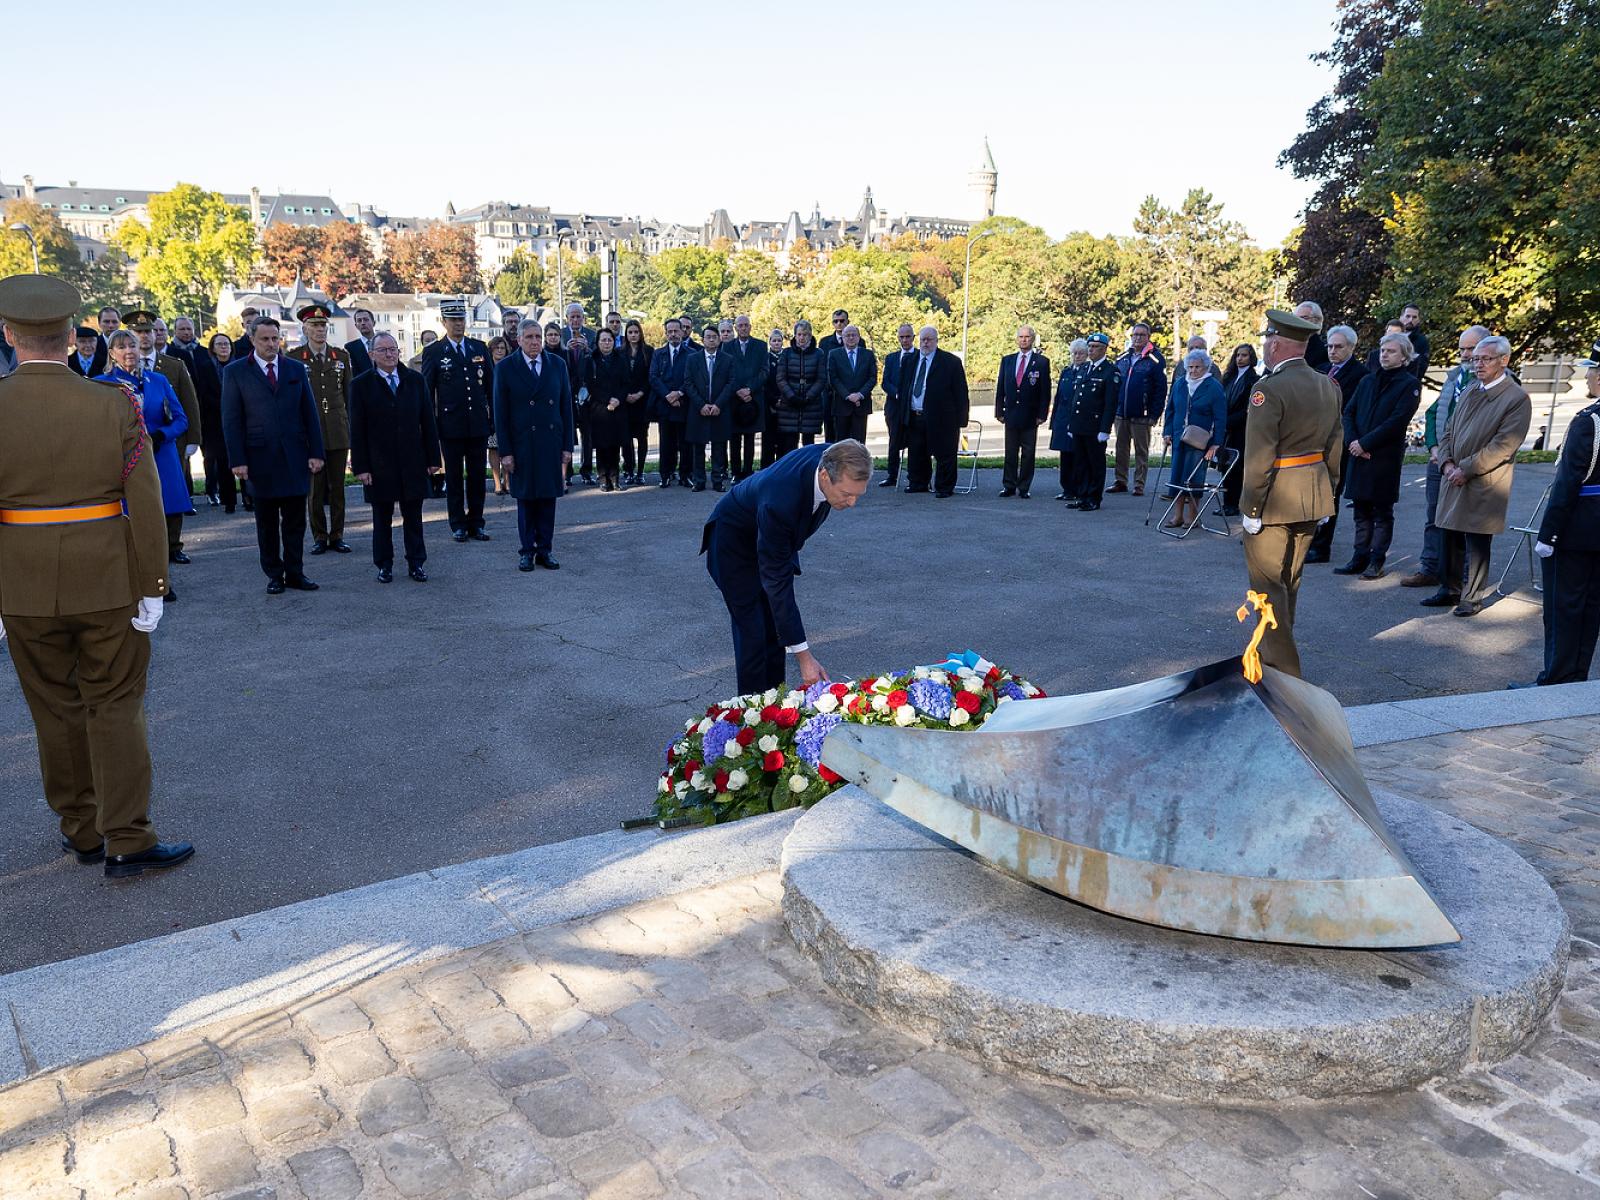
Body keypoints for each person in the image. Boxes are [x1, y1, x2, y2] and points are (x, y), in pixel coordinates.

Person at [0, 273, 191, 879]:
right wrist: (153, 584)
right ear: (70, 339)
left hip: (22, 583)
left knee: (54, 711)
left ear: (8, 336)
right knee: (115, 705)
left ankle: (81, 830)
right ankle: (128, 838)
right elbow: (145, 497)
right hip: (108, 579)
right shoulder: (114, 404)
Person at [701, 439, 872, 694]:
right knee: (754, 634)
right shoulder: (781, 501)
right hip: (733, 545)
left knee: (774, 630)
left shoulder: (836, 457)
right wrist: (805, 659)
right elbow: (777, 580)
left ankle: (776, 706)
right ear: (824, 476)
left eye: (858, 494)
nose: (852, 503)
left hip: (769, 535)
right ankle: (752, 716)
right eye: (847, 494)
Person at [1238, 308, 1344, 678]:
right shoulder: (1328, 385)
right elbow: (1334, 445)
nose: (1265, 346)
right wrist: (1328, 491)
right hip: (1312, 495)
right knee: (1289, 583)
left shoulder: (1268, 389)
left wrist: (1251, 507)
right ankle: (1272, 657)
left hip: (1275, 499)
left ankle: (1283, 672)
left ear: (1276, 344)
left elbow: (1260, 455)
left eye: (1268, 340)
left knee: (1267, 588)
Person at [1426, 335, 1532, 617]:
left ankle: (1471, 597)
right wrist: (1446, 463)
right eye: (1475, 359)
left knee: (1476, 539)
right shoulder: (1472, 388)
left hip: (1485, 480)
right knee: (1448, 533)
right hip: (1454, 474)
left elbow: (1504, 445)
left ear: (1504, 360)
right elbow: (1448, 429)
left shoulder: (1516, 398)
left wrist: (1467, 468)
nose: (1478, 364)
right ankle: (1448, 589)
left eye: (1485, 359)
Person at [221, 315, 326, 595]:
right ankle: (274, 574)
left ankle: (295, 572)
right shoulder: (235, 372)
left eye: (274, 338)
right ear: (252, 340)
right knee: (266, 524)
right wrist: (238, 460)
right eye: (264, 339)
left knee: (295, 521)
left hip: (294, 456)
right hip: (259, 459)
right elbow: (231, 419)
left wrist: (316, 452)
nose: (270, 344)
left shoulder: (295, 369)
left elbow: (310, 414)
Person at [1519, 341, 1600, 686]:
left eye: (1592, 371)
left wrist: (1548, 534)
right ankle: (1576, 674)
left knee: (1564, 608)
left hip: (1576, 529)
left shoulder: (1589, 422)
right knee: (1590, 609)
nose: (1588, 377)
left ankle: (1557, 678)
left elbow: (1568, 484)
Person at [97, 330, 188, 602]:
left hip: (160, 458)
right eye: (121, 346)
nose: (129, 351)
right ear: (112, 353)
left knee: (159, 523)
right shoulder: (102, 384)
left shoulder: (158, 380)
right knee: (130, 524)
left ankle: (160, 581)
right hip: (124, 463)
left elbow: (181, 419)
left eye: (132, 345)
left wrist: (162, 434)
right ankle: (130, 581)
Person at [1401, 325, 1489, 589]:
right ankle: (1430, 568)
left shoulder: (1491, 383)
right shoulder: (1454, 378)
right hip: (1440, 460)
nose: (1464, 354)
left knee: (1464, 523)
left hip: (1469, 463)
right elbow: (1432, 415)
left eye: (1470, 349)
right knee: (1434, 518)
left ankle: (1464, 579)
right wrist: (1434, 449)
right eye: (1462, 348)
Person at [350, 333, 441, 583]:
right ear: (372, 355)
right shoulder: (361, 385)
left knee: (413, 517)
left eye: (393, 349)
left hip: (413, 460)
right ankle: (384, 564)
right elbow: (356, 430)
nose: (390, 355)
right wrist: (361, 466)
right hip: (379, 464)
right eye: (383, 351)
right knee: (382, 519)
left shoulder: (414, 380)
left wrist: (433, 458)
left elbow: (428, 422)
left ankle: (416, 563)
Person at [1334, 331, 1423, 580]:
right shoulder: (1367, 381)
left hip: (1383, 457)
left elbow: (1397, 421)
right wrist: (1353, 442)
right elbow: (1348, 413)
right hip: (1358, 454)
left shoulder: (1409, 385)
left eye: (1391, 351)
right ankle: (1359, 557)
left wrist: (1365, 443)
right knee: (1360, 510)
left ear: (1404, 356)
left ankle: (1376, 560)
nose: (1384, 355)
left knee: (1381, 512)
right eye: (1383, 350)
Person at [494, 320, 574, 572]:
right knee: (526, 500)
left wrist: (567, 446)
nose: (535, 341)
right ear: (518, 339)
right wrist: (505, 451)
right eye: (529, 337)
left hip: (550, 442)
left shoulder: (557, 365)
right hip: (521, 444)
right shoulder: (507, 367)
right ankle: (527, 551)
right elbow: (500, 413)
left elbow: (566, 408)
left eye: (538, 336)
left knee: (548, 500)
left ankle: (545, 550)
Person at [126, 311, 201, 560]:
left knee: (172, 492)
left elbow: (189, 403)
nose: (145, 336)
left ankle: (173, 545)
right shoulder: (123, 368)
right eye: (139, 332)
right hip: (134, 444)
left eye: (149, 331)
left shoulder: (173, 364)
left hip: (169, 442)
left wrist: (193, 439)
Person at [421, 299, 493, 543]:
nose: (458, 324)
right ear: (444, 322)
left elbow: (490, 388)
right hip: (450, 425)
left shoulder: (478, 348)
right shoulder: (434, 351)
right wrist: (431, 425)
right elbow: (427, 393)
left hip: (477, 424)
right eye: (453, 320)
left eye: (461, 319)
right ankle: (458, 524)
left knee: (476, 477)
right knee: (453, 477)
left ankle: (477, 522)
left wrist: (491, 419)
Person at [286, 304, 353, 556]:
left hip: (337, 429)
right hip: (309, 432)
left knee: (338, 487)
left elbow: (348, 395)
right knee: (315, 489)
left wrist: (351, 429)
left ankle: (337, 535)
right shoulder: (294, 358)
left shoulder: (341, 357)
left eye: (323, 325)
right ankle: (319, 536)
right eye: (314, 326)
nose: (319, 330)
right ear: (305, 329)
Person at [1304, 326, 1370, 561]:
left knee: (1330, 494)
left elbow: (1348, 410)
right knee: (1311, 493)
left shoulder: (1360, 374)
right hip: (1312, 442)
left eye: (1338, 346)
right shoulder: (1321, 370)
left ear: (1351, 347)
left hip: (1337, 444)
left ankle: (1322, 547)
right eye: (1330, 346)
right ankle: (1308, 540)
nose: (1332, 351)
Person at [898, 325, 969, 497]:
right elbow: (904, 387)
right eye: (923, 339)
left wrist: (962, 419)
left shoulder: (950, 362)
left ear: (936, 341)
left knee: (944, 453)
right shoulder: (910, 360)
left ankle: (944, 487)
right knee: (917, 452)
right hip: (916, 415)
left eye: (929, 339)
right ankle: (918, 482)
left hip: (942, 418)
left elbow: (961, 392)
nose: (926, 343)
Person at [1161, 349, 1227, 528]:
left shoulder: (1213, 386)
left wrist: (1216, 444)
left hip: (1200, 440)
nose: (1193, 370)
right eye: (1190, 367)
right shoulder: (1180, 383)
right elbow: (1170, 409)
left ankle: (1193, 516)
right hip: (1178, 437)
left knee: (1194, 477)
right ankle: (1177, 516)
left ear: (1206, 367)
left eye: (1198, 367)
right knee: (1177, 476)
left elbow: (1220, 417)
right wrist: (1166, 432)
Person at [167, 317, 223, 508]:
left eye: (188, 329)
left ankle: (212, 490)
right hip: (182, 410)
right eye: (181, 329)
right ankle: (187, 493)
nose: (186, 332)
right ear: (174, 331)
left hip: (206, 411)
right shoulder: (171, 353)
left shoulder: (203, 352)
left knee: (210, 455)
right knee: (185, 455)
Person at [1109, 322, 1165, 497]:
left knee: (1141, 450)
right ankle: (1120, 481)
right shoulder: (1123, 358)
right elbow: (1114, 384)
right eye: (1135, 335)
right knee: (1121, 448)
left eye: (1141, 335)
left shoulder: (1155, 359)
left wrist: (1154, 414)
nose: (1137, 338)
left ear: (1148, 337)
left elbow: (1160, 390)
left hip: (1142, 414)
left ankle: (1139, 484)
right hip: (1122, 412)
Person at [994, 326, 1050, 498]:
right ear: (1017, 339)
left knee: (1028, 454)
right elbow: (1000, 388)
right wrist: (999, 411)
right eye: (1021, 337)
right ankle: (1009, 485)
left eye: (1027, 337)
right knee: (1010, 453)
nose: (1024, 340)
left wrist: (1042, 415)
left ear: (1032, 339)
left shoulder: (1041, 362)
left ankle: (1024, 487)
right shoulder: (1008, 360)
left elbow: (1045, 391)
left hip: (1030, 416)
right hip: (1011, 414)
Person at [684, 322, 735, 492]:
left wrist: (718, 404)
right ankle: (699, 481)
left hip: (720, 409)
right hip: (699, 409)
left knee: (719, 448)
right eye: (708, 337)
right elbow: (688, 383)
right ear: (703, 339)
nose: (711, 340)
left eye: (714, 337)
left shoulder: (727, 360)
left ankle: (717, 481)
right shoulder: (693, 359)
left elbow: (731, 383)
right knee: (698, 447)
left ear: (719, 340)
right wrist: (701, 404)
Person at [584, 328, 631, 491]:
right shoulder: (591, 360)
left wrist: (618, 399)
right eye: (603, 340)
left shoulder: (621, 359)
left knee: (615, 445)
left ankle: (615, 478)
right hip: (599, 408)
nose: (606, 343)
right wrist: (607, 400)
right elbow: (590, 385)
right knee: (602, 446)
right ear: (597, 342)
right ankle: (603, 479)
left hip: (618, 408)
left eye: (609, 340)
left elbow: (626, 383)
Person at [773, 319, 827, 461]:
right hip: (789, 403)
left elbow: (821, 379)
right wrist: (791, 396)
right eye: (799, 334)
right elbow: (780, 378)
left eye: (805, 334)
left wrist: (808, 396)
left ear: (810, 336)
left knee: (809, 444)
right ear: (795, 336)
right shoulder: (786, 353)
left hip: (811, 404)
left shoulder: (818, 354)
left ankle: (808, 471)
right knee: (789, 443)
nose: (802, 338)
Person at [1219, 343, 1261, 517]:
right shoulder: (1229, 377)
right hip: (1225, 428)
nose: (1240, 359)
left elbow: (1247, 408)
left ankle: (1235, 503)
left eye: (1244, 355)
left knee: (1236, 468)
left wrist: (1229, 421)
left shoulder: (1253, 379)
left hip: (1240, 430)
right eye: (1237, 355)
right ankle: (1227, 502)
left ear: (1251, 358)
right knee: (1225, 466)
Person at [650, 317, 692, 486]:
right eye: (670, 332)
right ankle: (665, 475)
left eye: (676, 331)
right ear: (666, 333)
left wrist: (679, 393)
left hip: (683, 405)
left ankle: (685, 475)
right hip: (665, 405)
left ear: (682, 331)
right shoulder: (658, 354)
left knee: (685, 443)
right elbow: (653, 377)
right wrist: (668, 395)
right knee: (666, 443)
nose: (673, 334)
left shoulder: (691, 354)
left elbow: (691, 378)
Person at [726, 314, 767, 481]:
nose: (743, 328)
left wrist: (749, 389)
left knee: (750, 437)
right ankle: (735, 472)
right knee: (734, 438)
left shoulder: (760, 345)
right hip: (734, 399)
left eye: (746, 325)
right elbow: (725, 372)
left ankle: (748, 472)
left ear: (750, 327)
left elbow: (764, 371)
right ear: (735, 328)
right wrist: (738, 390)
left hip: (753, 398)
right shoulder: (727, 347)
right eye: (740, 325)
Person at [1049, 339, 1088, 502]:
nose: (1077, 356)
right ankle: (1066, 489)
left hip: (1078, 420)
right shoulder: (1066, 372)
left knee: (1078, 456)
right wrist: (1053, 421)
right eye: (1074, 353)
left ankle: (1079, 489)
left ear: (1086, 355)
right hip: (1063, 419)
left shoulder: (1087, 371)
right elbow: (1058, 398)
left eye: (1080, 353)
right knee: (1064, 456)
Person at [827, 323, 878, 447]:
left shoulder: (868, 354)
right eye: (847, 335)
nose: (850, 338)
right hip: (841, 405)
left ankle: (859, 466)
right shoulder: (834, 354)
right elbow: (833, 378)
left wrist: (860, 394)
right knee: (841, 444)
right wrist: (848, 395)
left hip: (861, 405)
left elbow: (872, 378)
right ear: (843, 338)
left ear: (859, 337)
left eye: (853, 335)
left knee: (859, 444)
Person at [206, 333, 241, 511]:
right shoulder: (207, 368)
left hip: (240, 417)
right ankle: (229, 501)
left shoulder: (240, 365)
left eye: (226, 343)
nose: (223, 347)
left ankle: (249, 498)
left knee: (244, 458)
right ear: (212, 348)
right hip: (216, 421)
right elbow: (203, 393)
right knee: (223, 461)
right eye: (219, 344)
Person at [879, 323, 916, 488]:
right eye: (902, 337)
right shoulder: (891, 358)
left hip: (913, 406)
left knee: (915, 441)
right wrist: (897, 393)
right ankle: (892, 475)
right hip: (894, 406)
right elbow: (885, 382)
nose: (905, 340)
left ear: (913, 338)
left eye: (908, 336)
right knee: (894, 441)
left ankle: (914, 476)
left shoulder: (919, 356)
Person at [620, 319, 653, 484]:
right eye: (630, 332)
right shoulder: (620, 352)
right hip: (625, 403)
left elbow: (650, 377)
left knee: (642, 438)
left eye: (636, 332)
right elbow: (616, 378)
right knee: (626, 440)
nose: (633, 335)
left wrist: (640, 393)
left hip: (642, 402)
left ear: (640, 333)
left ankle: (640, 471)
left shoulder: (648, 351)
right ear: (626, 334)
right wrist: (625, 395)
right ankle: (629, 470)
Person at [817, 309, 850, 441]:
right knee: (830, 430)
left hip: (849, 393)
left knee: (848, 433)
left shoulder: (859, 341)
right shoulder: (824, 342)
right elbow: (822, 367)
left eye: (842, 321)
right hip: (830, 393)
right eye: (836, 321)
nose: (839, 324)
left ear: (848, 321)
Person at [760, 328, 785, 469]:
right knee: (768, 438)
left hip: (785, 402)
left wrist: (782, 399)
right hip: (768, 402)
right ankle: (766, 467)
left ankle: (780, 467)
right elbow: (764, 381)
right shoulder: (766, 358)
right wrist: (773, 400)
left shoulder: (786, 356)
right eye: (774, 340)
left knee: (782, 438)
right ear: (769, 342)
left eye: (779, 340)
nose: (776, 343)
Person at [1398, 303, 1432, 381]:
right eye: (1408, 316)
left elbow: (1422, 366)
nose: (1410, 320)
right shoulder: (1390, 337)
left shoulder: (1422, 341)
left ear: (1418, 320)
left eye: (1414, 317)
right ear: (1401, 317)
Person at [1294, 301, 1330, 373]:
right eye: (1296, 318)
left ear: (1317, 320)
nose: (1299, 321)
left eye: (1304, 318)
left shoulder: (1321, 351)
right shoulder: (1289, 343)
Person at [345, 307, 375, 376]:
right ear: (356, 326)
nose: (363, 323)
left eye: (366, 320)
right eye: (359, 320)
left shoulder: (384, 343)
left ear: (373, 323)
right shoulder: (350, 348)